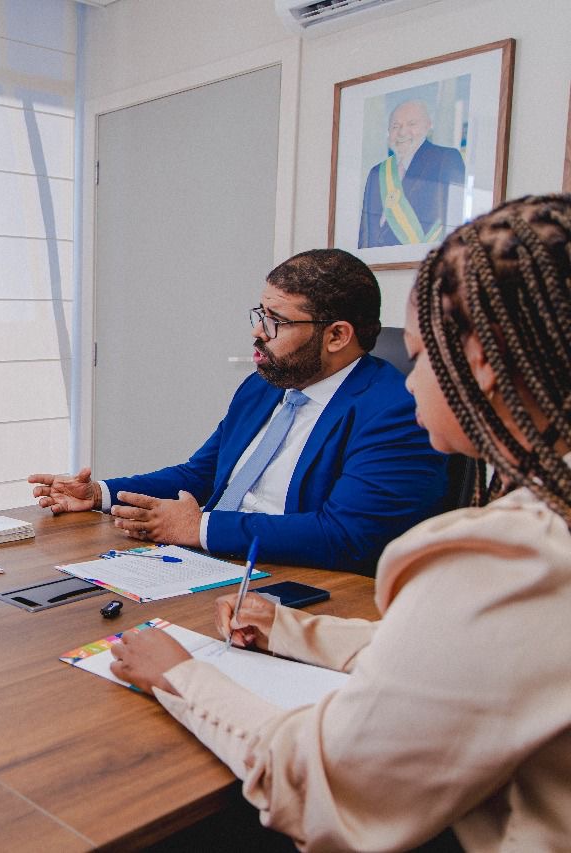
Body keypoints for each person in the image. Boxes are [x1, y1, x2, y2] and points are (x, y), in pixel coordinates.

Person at [110, 195, 571, 850]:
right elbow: (464, 658)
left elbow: (321, 783)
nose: (409, 385)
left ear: (480, 363)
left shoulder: (507, 557)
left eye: (420, 357)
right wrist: (296, 630)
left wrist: (178, 675)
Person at [30, 249, 447, 575]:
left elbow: (347, 536)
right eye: (261, 314)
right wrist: (101, 493)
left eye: (276, 321)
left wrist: (198, 529)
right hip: (210, 565)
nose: (257, 331)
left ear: (337, 335)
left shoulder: (396, 411)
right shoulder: (265, 385)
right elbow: (204, 475)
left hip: (302, 585)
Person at [358, 99, 467, 249]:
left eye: (411, 124)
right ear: (389, 132)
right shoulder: (377, 172)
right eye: (396, 126)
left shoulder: (446, 159)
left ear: (428, 125)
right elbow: (366, 233)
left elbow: (455, 220)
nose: (402, 132)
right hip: (378, 267)